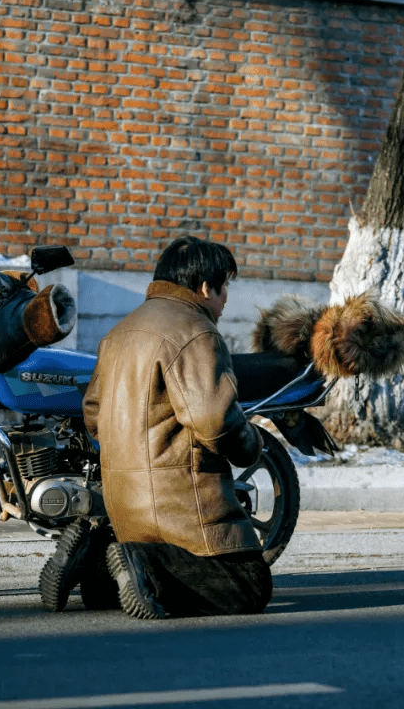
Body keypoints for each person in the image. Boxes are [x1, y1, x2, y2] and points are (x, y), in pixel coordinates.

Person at [78, 235, 270, 619]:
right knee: (250, 583)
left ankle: (97, 566)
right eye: (224, 287)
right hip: (182, 511)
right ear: (204, 288)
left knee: (132, 577)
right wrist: (253, 443)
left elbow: (92, 414)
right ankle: (144, 564)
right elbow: (215, 421)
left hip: (126, 513)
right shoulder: (196, 330)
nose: (226, 299)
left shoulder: (120, 332)